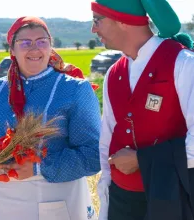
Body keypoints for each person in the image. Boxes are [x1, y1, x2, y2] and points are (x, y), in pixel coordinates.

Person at [0, 16, 101, 220]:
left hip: (51, 202)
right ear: (11, 50)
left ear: (51, 47)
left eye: (42, 41)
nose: (34, 49)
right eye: (25, 43)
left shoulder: (74, 90)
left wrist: (38, 167)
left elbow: (94, 154)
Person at [91, 0, 194, 219]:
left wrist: (142, 159)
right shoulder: (113, 73)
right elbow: (106, 142)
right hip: (121, 201)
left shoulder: (184, 64)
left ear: (123, 21)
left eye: (97, 20)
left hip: (170, 201)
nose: (93, 29)